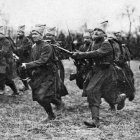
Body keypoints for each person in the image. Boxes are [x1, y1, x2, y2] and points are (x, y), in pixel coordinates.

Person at [72, 23, 126, 128]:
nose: (96, 32)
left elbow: (96, 53)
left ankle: (95, 121)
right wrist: (75, 55)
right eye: (95, 30)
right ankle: (118, 98)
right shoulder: (93, 43)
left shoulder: (106, 44)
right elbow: (88, 55)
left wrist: (80, 55)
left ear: (104, 33)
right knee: (102, 93)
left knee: (92, 91)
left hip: (105, 70)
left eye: (99, 31)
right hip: (96, 70)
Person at [21, 25, 68, 122]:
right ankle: (57, 105)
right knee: (38, 96)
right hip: (38, 73)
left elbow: (43, 60)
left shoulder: (47, 46)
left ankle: (52, 114)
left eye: (36, 34)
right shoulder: (34, 46)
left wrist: (28, 65)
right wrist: (30, 73)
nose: (33, 36)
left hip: (49, 73)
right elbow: (34, 60)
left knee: (42, 96)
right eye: (32, 34)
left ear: (41, 35)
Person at [0, 26, 19, 95]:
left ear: (3, 34)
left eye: (0, 33)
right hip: (1, 62)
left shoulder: (6, 41)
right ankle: (14, 91)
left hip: (6, 63)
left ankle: (3, 89)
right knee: (5, 78)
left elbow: (3, 52)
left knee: (5, 78)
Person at [15, 25, 32, 91]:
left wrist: (16, 50)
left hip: (27, 59)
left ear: (23, 33)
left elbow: (24, 49)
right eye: (17, 32)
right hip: (20, 59)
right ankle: (26, 86)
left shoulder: (27, 39)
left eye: (20, 32)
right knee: (21, 73)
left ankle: (33, 87)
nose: (18, 33)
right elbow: (17, 49)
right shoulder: (17, 39)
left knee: (28, 74)